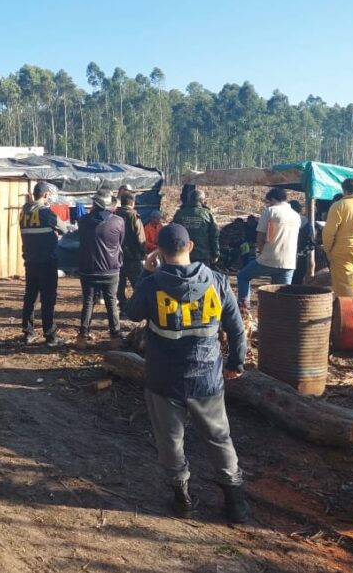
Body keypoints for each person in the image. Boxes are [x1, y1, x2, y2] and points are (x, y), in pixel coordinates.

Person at [124, 223, 249, 524]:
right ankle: (236, 504)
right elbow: (236, 328)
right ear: (191, 247)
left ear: (160, 252)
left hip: (163, 380)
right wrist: (236, 363)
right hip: (207, 378)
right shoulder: (217, 281)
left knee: (170, 441)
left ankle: (183, 500)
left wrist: (145, 273)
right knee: (219, 438)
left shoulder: (154, 284)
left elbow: (131, 312)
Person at [19, 181, 69, 346]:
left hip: (30, 261)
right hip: (47, 262)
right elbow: (64, 229)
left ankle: (28, 333)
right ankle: (51, 335)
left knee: (30, 297)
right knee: (48, 299)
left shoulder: (23, 213)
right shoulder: (46, 213)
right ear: (46, 195)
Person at [235, 188, 302, 310]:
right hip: (289, 262)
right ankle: (280, 320)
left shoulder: (270, 211)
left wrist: (262, 253)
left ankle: (244, 307)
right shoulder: (296, 215)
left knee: (243, 276)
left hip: (269, 258)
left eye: (269, 201)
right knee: (282, 295)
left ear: (273, 199)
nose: (269, 204)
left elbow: (260, 237)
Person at [77, 189, 125, 348]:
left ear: (94, 204)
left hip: (88, 268)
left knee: (88, 302)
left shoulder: (83, 221)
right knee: (111, 302)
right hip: (111, 269)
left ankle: (83, 336)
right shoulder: (118, 221)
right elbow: (120, 242)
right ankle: (115, 337)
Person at [114, 191, 146, 315]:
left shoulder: (114, 215)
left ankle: (123, 307)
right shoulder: (133, 215)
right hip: (133, 256)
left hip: (117, 256)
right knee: (137, 283)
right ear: (132, 203)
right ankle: (138, 308)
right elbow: (140, 237)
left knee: (120, 284)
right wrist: (143, 252)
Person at [173, 187, 219, 266]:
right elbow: (214, 235)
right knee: (202, 277)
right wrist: (215, 253)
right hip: (203, 255)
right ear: (202, 200)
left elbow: (174, 233)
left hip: (183, 254)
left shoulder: (179, 214)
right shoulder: (208, 214)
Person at [290, 200, 316, 285]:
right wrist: (302, 253)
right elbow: (311, 243)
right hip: (301, 257)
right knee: (298, 281)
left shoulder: (284, 222)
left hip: (286, 256)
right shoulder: (307, 223)